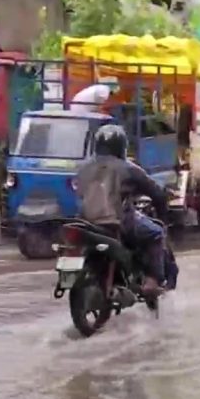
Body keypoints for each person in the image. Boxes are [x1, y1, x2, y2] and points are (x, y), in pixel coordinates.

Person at [76, 125, 171, 295]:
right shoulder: (128, 168)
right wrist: (163, 219)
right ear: (121, 146)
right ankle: (152, 280)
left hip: (84, 222)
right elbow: (157, 193)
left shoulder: (83, 168)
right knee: (155, 232)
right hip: (116, 222)